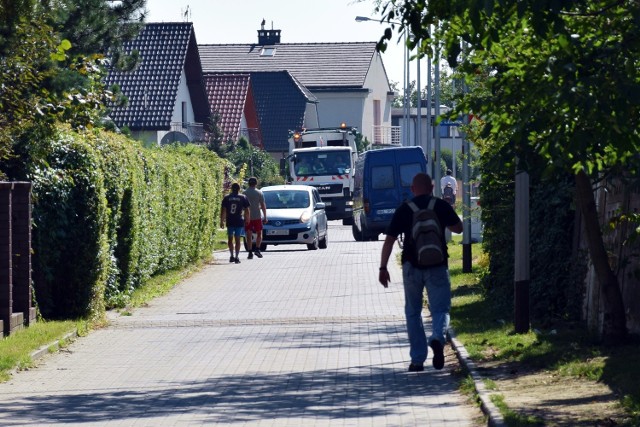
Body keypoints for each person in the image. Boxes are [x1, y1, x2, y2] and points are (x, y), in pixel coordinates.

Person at [378, 172, 463, 372]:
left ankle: (417, 360)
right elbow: (458, 228)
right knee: (440, 309)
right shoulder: (440, 205)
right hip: (438, 265)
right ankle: (437, 338)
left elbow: (389, 240)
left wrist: (383, 268)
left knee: (413, 312)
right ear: (432, 188)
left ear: (413, 189)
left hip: (411, 267)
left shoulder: (405, 209)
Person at [220, 182, 250, 264]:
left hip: (230, 220)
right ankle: (237, 257)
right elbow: (247, 210)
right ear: (239, 189)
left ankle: (231, 255)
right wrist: (247, 219)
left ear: (231, 189)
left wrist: (222, 221)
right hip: (239, 220)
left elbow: (224, 210)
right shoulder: (243, 197)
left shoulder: (226, 198)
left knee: (230, 238)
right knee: (237, 239)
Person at [243, 176, 267, 259]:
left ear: (248, 183)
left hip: (247, 217)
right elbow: (263, 205)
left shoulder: (244, 193)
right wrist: (265, 216)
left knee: (248, 235)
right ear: (256, 183)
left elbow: (242, 206)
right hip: (257, 216)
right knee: (259, 233)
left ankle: (250, 252)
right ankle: (257, 249)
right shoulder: (259, 193)